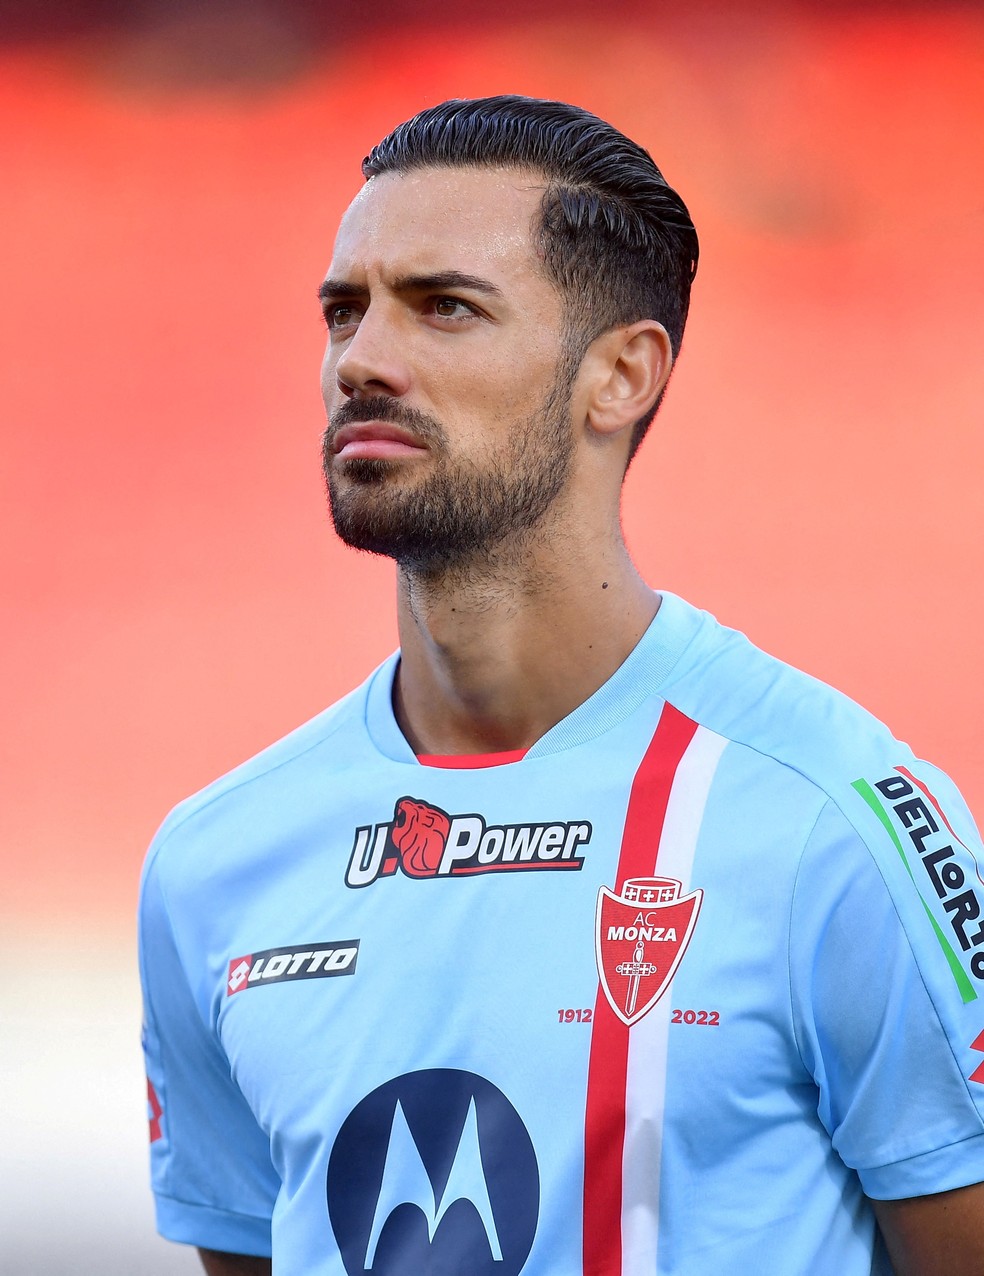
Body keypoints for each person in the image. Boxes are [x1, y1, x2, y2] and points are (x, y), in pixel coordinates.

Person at [138, 96, 984, 1276]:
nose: (362, 360)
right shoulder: (213, 862)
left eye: (445, 307)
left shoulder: (834, 824)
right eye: (345, 310)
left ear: (621, 377)